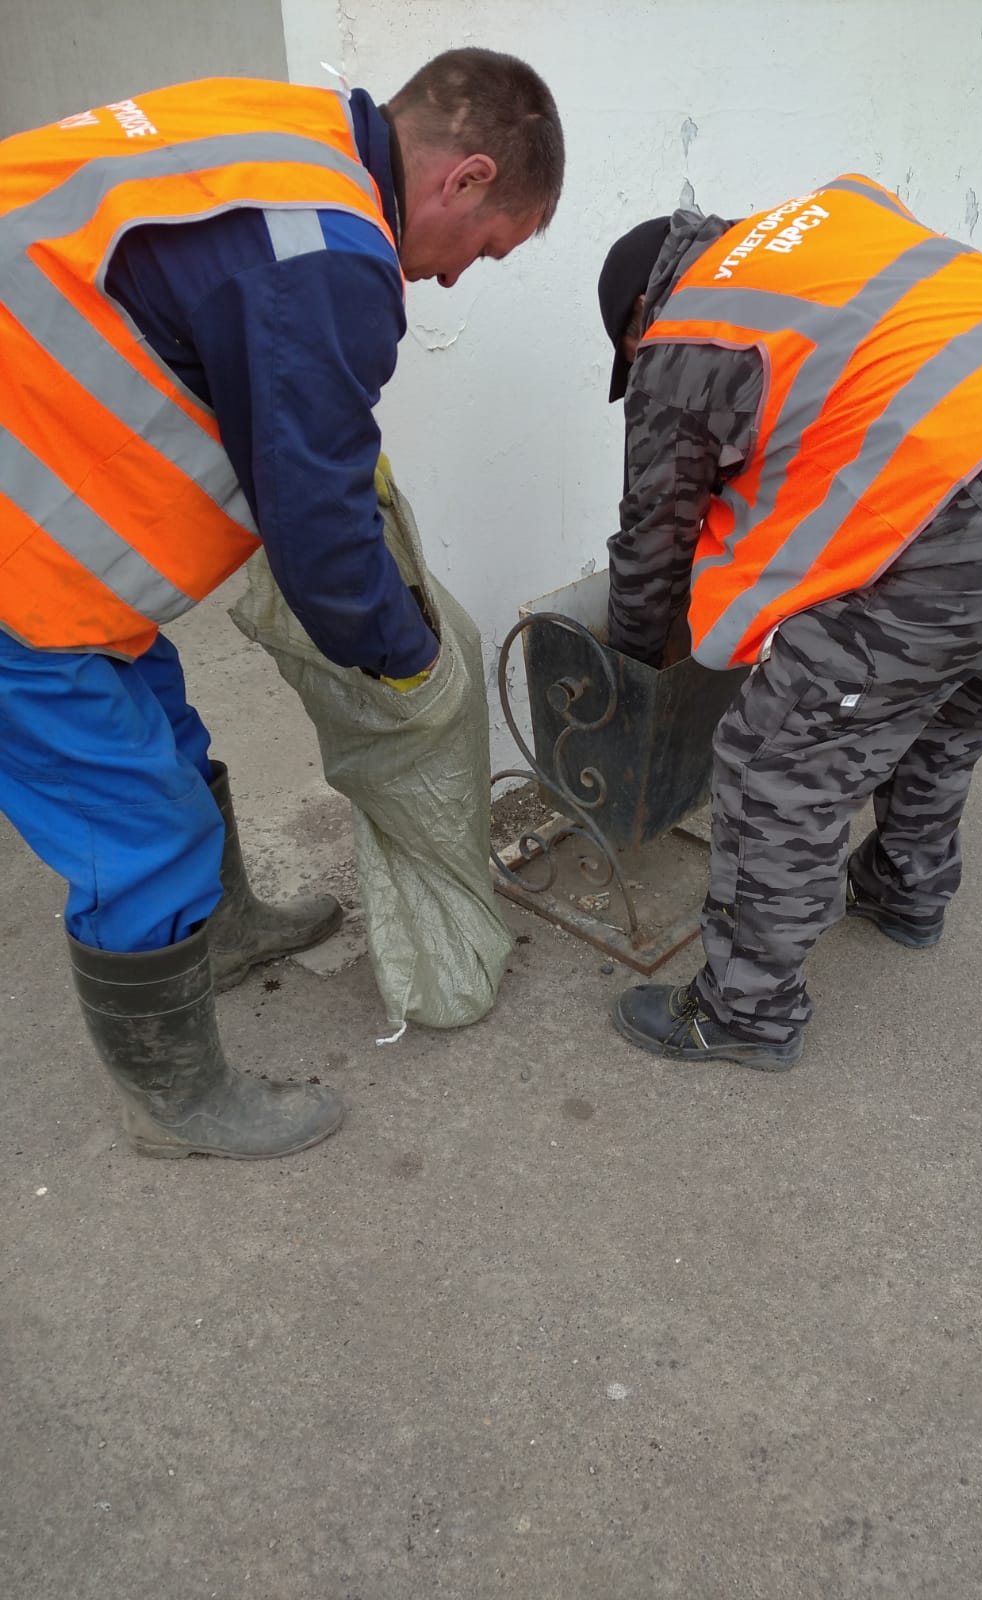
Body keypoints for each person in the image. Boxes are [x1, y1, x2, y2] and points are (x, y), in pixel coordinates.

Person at [0, 51, 564, 1157]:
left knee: (160, 717)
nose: (455, 278)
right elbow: (316, 535)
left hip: (43, 512)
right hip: (18, 569)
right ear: (465, 177)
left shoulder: (289, 133)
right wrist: (404, 660)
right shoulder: (327, 256)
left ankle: (218, 930)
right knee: (137, 821)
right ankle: (178, 1104)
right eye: (486, 247)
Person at [596, 176, 982, 1070]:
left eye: (628, 351)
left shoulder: (685, 334)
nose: (640, 364)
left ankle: (746, 1011)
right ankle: (905, 890)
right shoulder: (827, 225)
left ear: (640, 314)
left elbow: (656, 542)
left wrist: (631, 670)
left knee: (780, 752)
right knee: (952, 702)